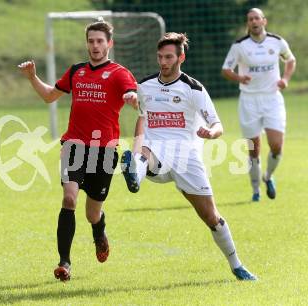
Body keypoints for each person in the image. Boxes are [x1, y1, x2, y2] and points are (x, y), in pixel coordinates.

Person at [121, 32, 257, 281]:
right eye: (160, 56)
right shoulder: (145, 86)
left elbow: (218, 124)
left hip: (186, 157)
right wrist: (137, 143)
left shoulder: (193, 89)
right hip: (155, 150)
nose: (163, 62)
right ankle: (135, 173)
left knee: (212, 218)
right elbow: (142, 118)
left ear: (181, 57)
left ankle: (236, 265)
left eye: (169, 57)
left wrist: (211, 133)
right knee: (142, 155)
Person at [18, 19, 138, 282]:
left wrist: (131, 98)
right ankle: (64, 263)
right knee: (69, 199)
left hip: (104, 152)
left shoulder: (119, 73)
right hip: (73, 146)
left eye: (100, 41)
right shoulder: (77, 71)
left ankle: (99, 233)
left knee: (92, 213)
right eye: (91, 41)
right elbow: (50, 96)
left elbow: (133, 95)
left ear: (109, 43)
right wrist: (32, 77)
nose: (95, 46)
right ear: (87, 43)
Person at [222, 8, 296, 202]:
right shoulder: (239, 46)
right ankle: (256, 190)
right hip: (249, 101)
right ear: (248, 24)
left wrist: (286, 79)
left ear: (264, 21)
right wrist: (239, 77)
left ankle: (268, 176)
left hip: (272, 99)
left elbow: (290, 60)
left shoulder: (277, 41)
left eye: (257, 18)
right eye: (250, 19)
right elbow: (225, 69)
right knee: (253, 149)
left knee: (277, 146)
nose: (254, 21)